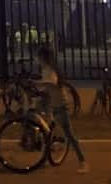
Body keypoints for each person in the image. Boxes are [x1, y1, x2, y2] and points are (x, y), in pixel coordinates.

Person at [37, 46, 87, 174]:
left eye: (39, 57)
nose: (38, 60)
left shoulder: (51, 70)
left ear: (44, 58)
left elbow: (51, 83)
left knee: (70, 135)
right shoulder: (46, 70)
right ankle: (48, 152)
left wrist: (39, 84)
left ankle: (83, 162)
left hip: (61, 106)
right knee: (47, 130)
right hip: (53, 105)